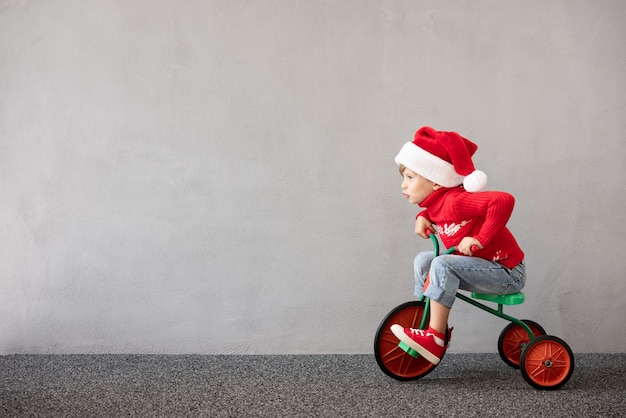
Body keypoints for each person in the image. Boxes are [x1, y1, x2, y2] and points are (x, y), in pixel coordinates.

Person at [390, 126, 526, 365]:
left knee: (442, 264)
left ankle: (435, 337)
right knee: (424, 261)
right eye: (404, 177)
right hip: (482, 267)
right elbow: (438, 209)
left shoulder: (455, 201)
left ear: (436, 183)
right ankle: (427, 321)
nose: (404, 184)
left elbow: (503, 200)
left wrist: (480, 239)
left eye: (410, 177)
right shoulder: (439, 203)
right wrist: (423, 217)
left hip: (507, 273)